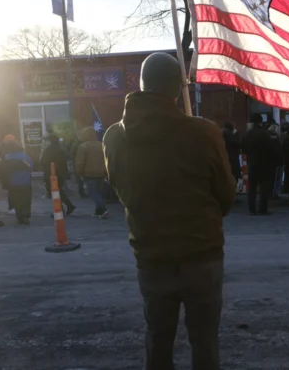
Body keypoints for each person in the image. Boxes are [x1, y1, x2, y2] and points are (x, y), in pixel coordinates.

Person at [102, 52, 235, 370]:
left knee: (157, 338)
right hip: (201, 253)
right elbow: (226, 195)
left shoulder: (113, 137)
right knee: (204, 340)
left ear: (143, 84)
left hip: (151, 255)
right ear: (178, 89)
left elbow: (121, 190)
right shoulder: (204, 133)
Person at [243, 114, 276, 215]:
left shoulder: (248, 134)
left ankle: (252, 209)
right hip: (264, 163)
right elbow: (271, 149)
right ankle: (263, 209)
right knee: (264, 187)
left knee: (252, 188)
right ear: (261, 122)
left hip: (252, 163)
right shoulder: (264, 134)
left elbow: (243, 148)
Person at [75, 126, 109, 219]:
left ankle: (103, 208)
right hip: (101, 173)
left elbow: (80, 162)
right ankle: (98, 211)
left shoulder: (83, 146)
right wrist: (106, 172)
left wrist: (80, 173)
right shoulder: (101, 145)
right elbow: (106, 159)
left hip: (89, 174)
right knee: (99, 193)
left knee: (92, 193)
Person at [41, 133, 76, 215]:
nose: (45, 142)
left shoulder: (49, 151)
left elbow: (44, 162)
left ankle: (60, 209)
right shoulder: (60, 149)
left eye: (46, 140)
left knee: (54, 192)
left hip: (52, 174)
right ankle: (68, 206)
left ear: (50, 141)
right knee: (58, 190)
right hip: (60, 174)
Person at [3, 140, 34, 225]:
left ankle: (19, 217)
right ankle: (26, 216)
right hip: (25, 181)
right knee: (26, 200)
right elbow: (31, 166)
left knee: (16, 200)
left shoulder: (7, 157)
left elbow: (4, 169)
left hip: (13, 182)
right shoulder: (24, 156)